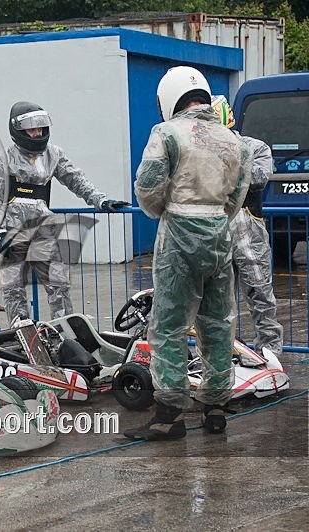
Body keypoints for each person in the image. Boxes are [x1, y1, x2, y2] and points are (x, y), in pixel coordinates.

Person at [125, 67, 252, 441]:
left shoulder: (165, 134)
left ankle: (169, 415)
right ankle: (215, 409)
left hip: (179, 234)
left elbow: (147, 188)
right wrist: (212, 216)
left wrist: (172, 209)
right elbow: (237, 196)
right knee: (218, 324)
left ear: (170, 98)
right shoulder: (235, 141)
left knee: (168, 327)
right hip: (218, 235)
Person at [0, 101, 129, 324]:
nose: (37, 133)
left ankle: (65, 332)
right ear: (18, 131)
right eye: (31, 129)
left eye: (40, 128)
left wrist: (100, 200)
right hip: (12, 232)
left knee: (58, 284)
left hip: (43, 228)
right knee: (14, 289)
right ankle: (21, 331)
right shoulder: (0, 160)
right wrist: (0, 231)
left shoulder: (54, 154)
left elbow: (76, 179)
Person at [211, 95, 283, 356]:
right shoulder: (201, 152)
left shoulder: (255, 147)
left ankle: (270, 352)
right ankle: (220, 354)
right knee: (217, 299)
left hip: (248, 226)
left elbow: (259, 177)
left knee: (261, 292)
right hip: (216, 226)